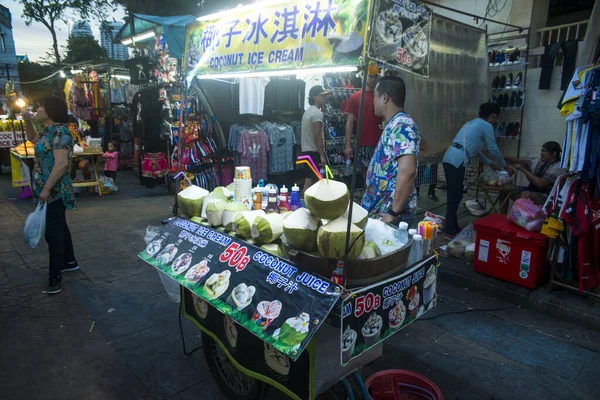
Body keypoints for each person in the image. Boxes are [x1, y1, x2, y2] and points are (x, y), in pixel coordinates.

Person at [23, 96, 78, 295]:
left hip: (55, 190)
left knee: (52, 234)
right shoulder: (48, 131)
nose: (37, 109)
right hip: (47, 188)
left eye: (40, 106)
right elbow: (33, 139)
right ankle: (70, 261)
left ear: (50, 110)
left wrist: (46, 189)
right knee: (59, 224)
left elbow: (61, 164)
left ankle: (54, 278)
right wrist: (28, 121)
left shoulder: (60, 132)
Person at [442, 102, 508, 239]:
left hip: (450, 157)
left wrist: (490, 163)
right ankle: (449, 230)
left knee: (455, 194)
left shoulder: (472, 123)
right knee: (454, 196)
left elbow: (475, 150)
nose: (496, 122)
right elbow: (493, 149)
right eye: (496, 118)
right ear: (493, 115)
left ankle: (452, 226)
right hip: (457, 160)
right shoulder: (486, 125)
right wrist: (504, 165)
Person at [361, 76, 421, 225]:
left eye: (375, 96)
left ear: (385, 98)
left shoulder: (401, 126)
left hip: (388, 215)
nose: (373, 101)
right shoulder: (396, 124)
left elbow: (408, 170)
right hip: (380, 210)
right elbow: (423, 144)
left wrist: (393, 212)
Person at [344, 65, 383, 187]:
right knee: (366, 175)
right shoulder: (355, 97)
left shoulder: (382, 97)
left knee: (381, 174)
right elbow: (349, 123)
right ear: (364, 76)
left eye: (375, 76)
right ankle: (367, 203)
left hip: (381, 142)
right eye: (370, 76)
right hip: (363, 144)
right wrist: (347, 145)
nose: (372, 80)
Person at [503, 141, 565, 207]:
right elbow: (522, 162)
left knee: (526, 195)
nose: (541, 153)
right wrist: (502, 160)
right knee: (505, 190)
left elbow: (540, 184)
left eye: (544, 151)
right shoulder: (542, 163)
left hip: (547, 197)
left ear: (554, 153)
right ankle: (502, 215)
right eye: (541, 151)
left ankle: (522, 217)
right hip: (533, 190)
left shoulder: (557, 167)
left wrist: (523, 169)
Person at [301, 85, 330, 195]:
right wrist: (322, 154)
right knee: (316, 183)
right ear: (314, 97)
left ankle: (303, 206)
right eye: (321, 96)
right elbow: (317, 135)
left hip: (305, 151)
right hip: (313, 152)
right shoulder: (316, 113)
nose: (324, 98)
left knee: (308, 181)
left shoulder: (307, 112)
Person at [67, 116, 92, 182]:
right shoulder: (67, 135)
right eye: (71, 126)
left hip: (82, 156)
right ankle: (73, 182)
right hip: (71, 157)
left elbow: (85, 145)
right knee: (71, 166)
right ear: (68, 127)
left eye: (75, 126)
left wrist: (78, 137)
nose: (73, 128)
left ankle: (88, 182)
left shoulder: (81, 134)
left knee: (83, 165)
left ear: (78, 126)